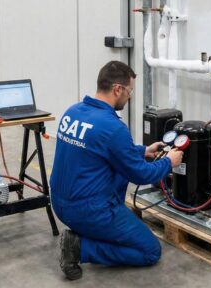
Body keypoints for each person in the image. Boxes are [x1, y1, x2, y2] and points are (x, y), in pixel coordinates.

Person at [49, 60, 183, 280]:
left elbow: (102, 149)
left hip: (60, 203)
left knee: (116, 166)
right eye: (129, 91)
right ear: (117, 89)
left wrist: (143, 151)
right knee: (150, 251)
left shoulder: (73, 111)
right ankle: (80, 247)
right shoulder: (113, 127)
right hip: (89, 211)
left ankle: (99, 229)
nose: (129, 97)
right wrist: (169, 162)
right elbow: (141, 174)